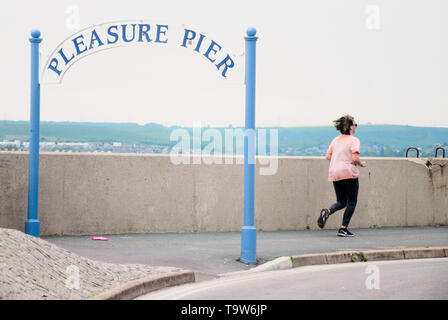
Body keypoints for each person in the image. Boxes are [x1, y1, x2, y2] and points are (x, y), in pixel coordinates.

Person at [317, 114, 366, 237]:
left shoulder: (335, 140)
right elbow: (355, 158)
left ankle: (328, 211)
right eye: (355, 124)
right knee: (352, 201)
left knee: (341, 201)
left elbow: (328, 156)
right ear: (350, 127)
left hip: (334, 171)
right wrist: (361, 164)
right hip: (348, 172)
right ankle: (343, 229)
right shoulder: (354, 140)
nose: (356, 127)